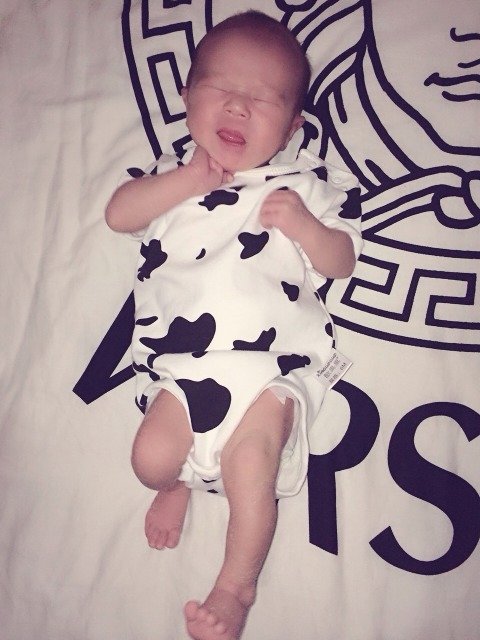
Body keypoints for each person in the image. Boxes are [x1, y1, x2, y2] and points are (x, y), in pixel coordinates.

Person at [105, 10, 362, 640]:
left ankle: (236, 585)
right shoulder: (171, 174)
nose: (239, 107)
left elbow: (341, 260)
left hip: (268, 370)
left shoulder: (304, 184)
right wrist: (187, 181)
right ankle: (179, 484)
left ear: (294, 125)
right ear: (187, 96)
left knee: (252, 472)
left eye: (264, 99)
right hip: (182, 366)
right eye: (221, 87)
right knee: (149, 460)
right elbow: (119, 215)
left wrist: (304, 226)